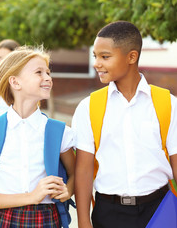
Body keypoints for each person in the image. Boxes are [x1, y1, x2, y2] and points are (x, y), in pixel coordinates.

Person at [72, 21, 177, 228]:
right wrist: (84, 221)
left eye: (105, 57)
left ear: (131, 57)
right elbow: (83, 171)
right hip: (109, 212)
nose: (97, 63)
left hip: (160, 208)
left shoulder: (169, 104)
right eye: (96, 56)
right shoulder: (88, 107)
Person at [0, 46, 75, 227]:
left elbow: (76, 175)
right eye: (39, 72)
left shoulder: (60, 132)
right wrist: (32, 197)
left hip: (47, 219)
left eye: (48, 72)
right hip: (5, 218)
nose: (48, 78)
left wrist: (68, 190)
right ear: (15, 82)